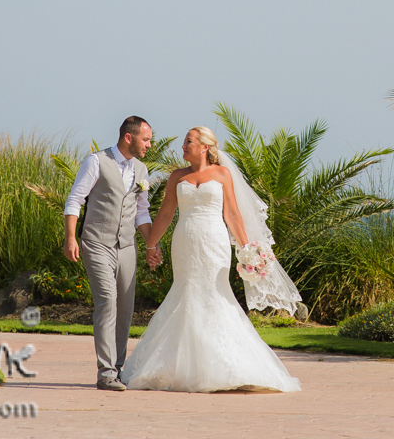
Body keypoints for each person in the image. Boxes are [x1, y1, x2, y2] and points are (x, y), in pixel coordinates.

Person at [120, 126, 301, 393]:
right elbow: (167, 214)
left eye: (188, 142)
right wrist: (151, 244)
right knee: (186, 292)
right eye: (183, 142)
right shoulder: (176, 177)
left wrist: (248, 250)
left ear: (204, 146)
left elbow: (233, 215)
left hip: (215, 244)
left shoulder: (222, 174)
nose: (183, 146)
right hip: (184, 242)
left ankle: (228, 366)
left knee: (216, 294)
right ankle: (179, 367)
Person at [63, 116, 160, 391]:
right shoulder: (96, 161)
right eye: (146, 139)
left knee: (125, 309)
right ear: (129, 138)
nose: (149, 145)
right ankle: (105, 373)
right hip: (96, 243)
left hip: (127, 246)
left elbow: (142, 212)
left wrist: (152, 244)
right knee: (107, 301)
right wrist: (71, 237)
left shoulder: (141, 170)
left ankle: (117, 369)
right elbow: (75, 199)